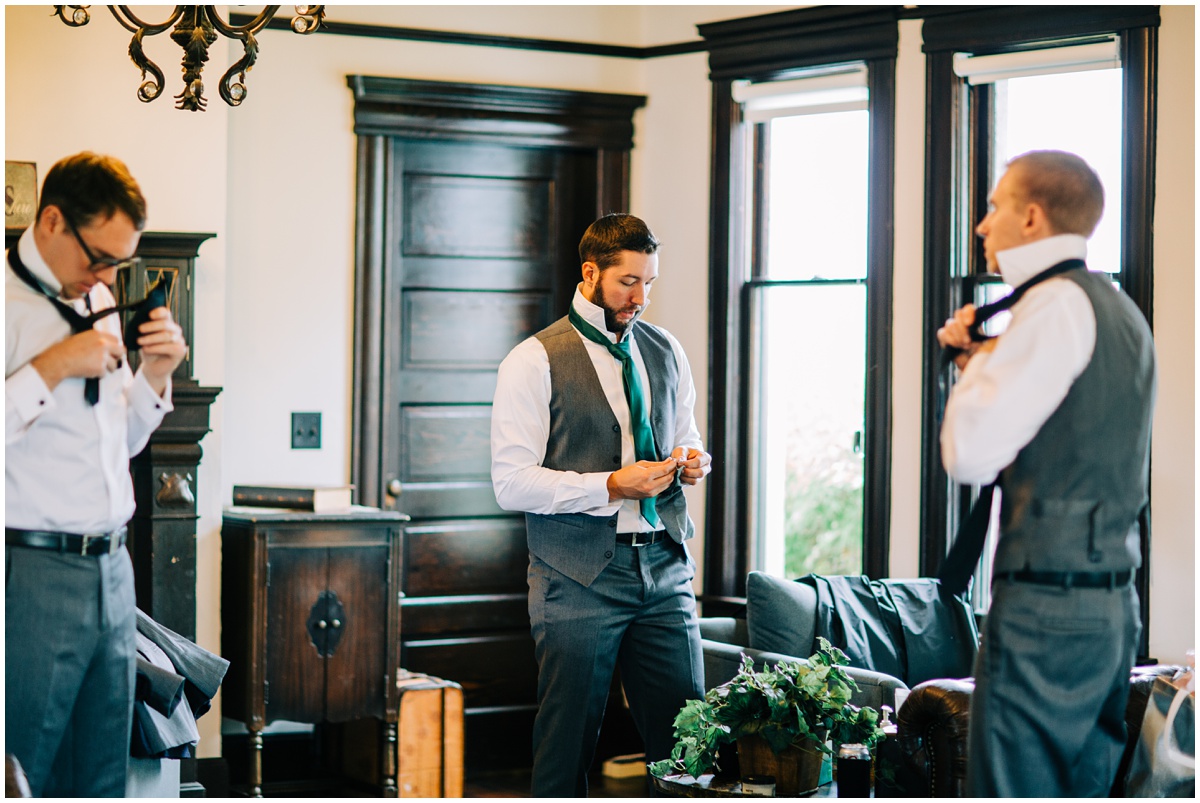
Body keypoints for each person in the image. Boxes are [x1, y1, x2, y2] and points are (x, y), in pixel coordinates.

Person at [937, 150, 1156, 796]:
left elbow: (967, 452)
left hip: (1044, 612)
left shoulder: (1049, 307)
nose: (982, 226)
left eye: (994, 206)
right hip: (1112, 609)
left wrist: (972, 364)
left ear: (1031, 217)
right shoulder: (1120, 313)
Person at [491, 213, 712, 796]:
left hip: (665, 568)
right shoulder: (531, 361)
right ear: (591, 273)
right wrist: (612, 485)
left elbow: (685, 431)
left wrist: (693, 461)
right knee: (567, 747)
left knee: (690, 743)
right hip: (576, 577)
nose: (641, 298)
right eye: (628, 283)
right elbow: (510, 483)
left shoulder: (666, 350)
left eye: (650, 283)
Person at [5, 152, 187, 796]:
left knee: (104, 769)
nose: (107, 275)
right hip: (29, 573)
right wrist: (53, 365)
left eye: (119, 263)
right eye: (99, 258)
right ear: (52, 221)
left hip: (113, 570)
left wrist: (156, 376)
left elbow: (122, 443)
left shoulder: (101, 298)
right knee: (24, 765)